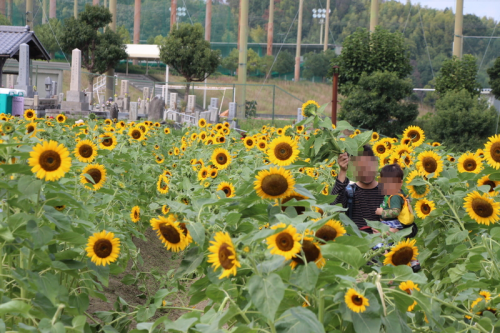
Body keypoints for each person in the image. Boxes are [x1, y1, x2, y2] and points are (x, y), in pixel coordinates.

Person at [331, 145, 384, 234]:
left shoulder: (389, 192)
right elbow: (333, 209)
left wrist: (390, 231)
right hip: (357, 245)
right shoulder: (350, 192)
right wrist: (343, 171)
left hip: (383, 246)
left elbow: (411, 227)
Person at [375, 164, 406, 232]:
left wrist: (382, 212)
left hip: (392, 224)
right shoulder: (389, 194)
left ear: (400, 183)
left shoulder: (395, 197)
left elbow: (395, 212)